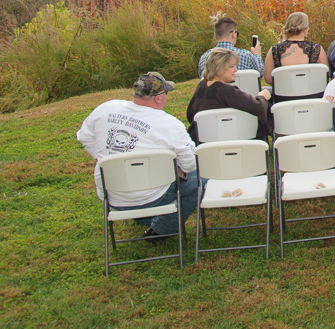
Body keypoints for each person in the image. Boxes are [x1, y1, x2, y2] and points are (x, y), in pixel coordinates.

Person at [76, 72, 199, 242]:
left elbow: (84, 137)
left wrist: (105, 159)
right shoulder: (170, 124)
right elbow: (190, 164)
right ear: (158, 98)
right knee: (199, 179)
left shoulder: (106, 108)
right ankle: (163, 229)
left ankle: (143, 216)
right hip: (152, 195)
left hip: (111, 193)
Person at [186, 47, 273, 142]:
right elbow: (258, 107)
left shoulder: (202, 86)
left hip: (202, 140)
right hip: (228, 137)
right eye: (232, 67)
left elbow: (190, 114)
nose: (236, 70)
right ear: (220, 68)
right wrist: (262, 97)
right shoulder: (226, 91)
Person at [262, 11, 329, 90]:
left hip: (284, 98)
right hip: (313, 97)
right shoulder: (317, 49)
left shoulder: (274, 50)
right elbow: (326, 75)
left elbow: (268, 79)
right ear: (305, 28)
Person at [198, 14, 262, 78]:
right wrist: (257, 54)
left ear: (215, 36)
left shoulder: (204, 58)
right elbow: (259, 74)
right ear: (233, 34)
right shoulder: (247, 56)